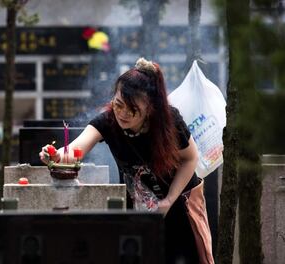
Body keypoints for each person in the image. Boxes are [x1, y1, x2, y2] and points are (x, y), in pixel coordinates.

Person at [39, 58, 214, 264]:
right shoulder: (107, 122)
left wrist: (168, 201)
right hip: (140, 210)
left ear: (149, 108)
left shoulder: (169, 121)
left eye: (132, 110)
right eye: (118, 104)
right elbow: (75, 149)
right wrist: (57, 155)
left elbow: (190, 158)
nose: (122, 113)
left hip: (179, 203)